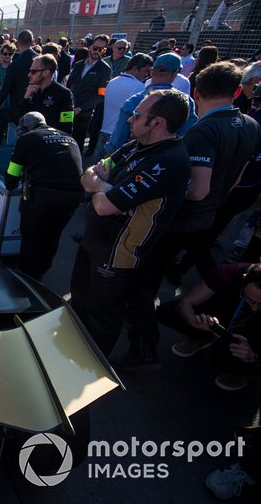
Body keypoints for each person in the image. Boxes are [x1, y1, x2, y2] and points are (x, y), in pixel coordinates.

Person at [119, 63, 260, 370]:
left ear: (196, 91)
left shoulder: (203, 130)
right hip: (210, 218)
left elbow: (197, 189)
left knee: (143, 281)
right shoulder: (250, 124)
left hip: (180, 222)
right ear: (237, 92)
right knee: (206, 273)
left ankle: (143, 347)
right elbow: (237, 178)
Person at [71, 90, 192, 358]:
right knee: (79, 301)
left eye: (137, 115)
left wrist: (101, 188)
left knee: (101, 317)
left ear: (158, 122)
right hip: (94, 242)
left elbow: (103, 205)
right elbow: (87, 175)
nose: (129, 120)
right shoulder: (135, 144)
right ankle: (73, 354)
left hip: (118, 256)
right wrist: (107, 187)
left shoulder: (168, 161)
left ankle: (93, 369)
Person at [157, 262, 261, 391]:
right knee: (169, 312)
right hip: (224, 316)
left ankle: (244, 373)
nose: (254, 308)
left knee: (225, 354)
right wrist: (194, 322)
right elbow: (185, 302)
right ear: (244, 278)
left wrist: (254, 356)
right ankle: (202, 336)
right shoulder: (228, 273)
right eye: (250, 299)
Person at [4, 112, 83, 280]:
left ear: (26, 127)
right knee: (53, 235)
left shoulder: (27, 139)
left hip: (43, 195)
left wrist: (11, 183)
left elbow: (11, 176)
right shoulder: (69, 137)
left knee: (31, 237)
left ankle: (26, 280)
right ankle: (41, 271)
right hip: (73, 196)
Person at [105, 53, 197, 154]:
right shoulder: (186, 102)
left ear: (151, 71)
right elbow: (186, 133)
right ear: (175, 73)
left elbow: (119, 136)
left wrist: (109, 154)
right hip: (167, 156)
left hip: (134, 155)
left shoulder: (135, 100)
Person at [92, 53, 153, 161]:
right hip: (120, 135)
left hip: (104, 130)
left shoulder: (112, 81)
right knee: (110, 171)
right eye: (145, 71)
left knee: (95, 166)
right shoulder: (139, 87)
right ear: (135, 68)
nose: (147, 75)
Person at [0, 30, 39, 144]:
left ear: (18, 44)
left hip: (17, 111)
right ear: (32, 42)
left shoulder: (15, 65)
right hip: (38, 111)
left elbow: (4, 90)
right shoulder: (43, 61)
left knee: (14, 146)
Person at [66, 34, 111, 153]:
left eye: (101, 49)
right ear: (90, 47)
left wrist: (81, 108)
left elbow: (101, 95)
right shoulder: (78, 64)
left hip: (83, 114)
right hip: (68, 109)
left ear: (104, 51)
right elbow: (69, 85)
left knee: (76, 143)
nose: (97, 51)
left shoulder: (105, 70)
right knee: (63, 139)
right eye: (95, 48)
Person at [15, 53, 75, 135]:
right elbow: (16, 120)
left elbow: (67, 125)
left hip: (51, 142)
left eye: (33, 72)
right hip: (30, 141)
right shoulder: (29, 91)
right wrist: (25, 99)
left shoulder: (64, 94)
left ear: (45, 72)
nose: (29, 75)